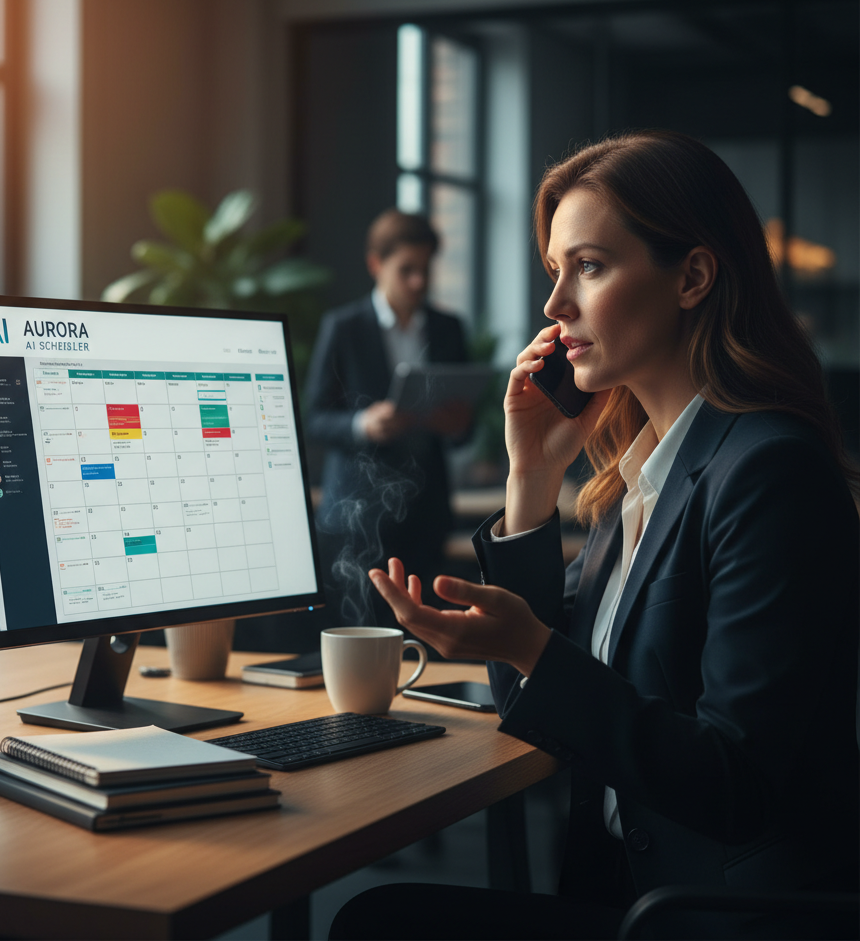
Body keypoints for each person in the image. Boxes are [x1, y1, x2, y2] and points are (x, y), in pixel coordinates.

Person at [330, 132, 860, 940]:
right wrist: (533, 478)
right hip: (628, 896)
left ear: (692, 278)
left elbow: (738, 784)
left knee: (379, 923)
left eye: (588, 266)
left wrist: (532, 648)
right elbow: (529, 701)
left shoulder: (768, 472)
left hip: (710, 919)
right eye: (555, 270)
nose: (555, 306)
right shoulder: (640, 479)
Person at [306, 209, 471, 631]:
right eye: (406, 270)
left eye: (425, 270)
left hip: (426, 512)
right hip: (356, 514)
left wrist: (455, 425)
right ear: (375, 264)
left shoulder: (449, 328)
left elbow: (464, 429)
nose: (418, 281)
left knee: (428, 630)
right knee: (358, 631)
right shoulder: (344, 328)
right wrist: (363, 424)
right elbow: (314, 418)